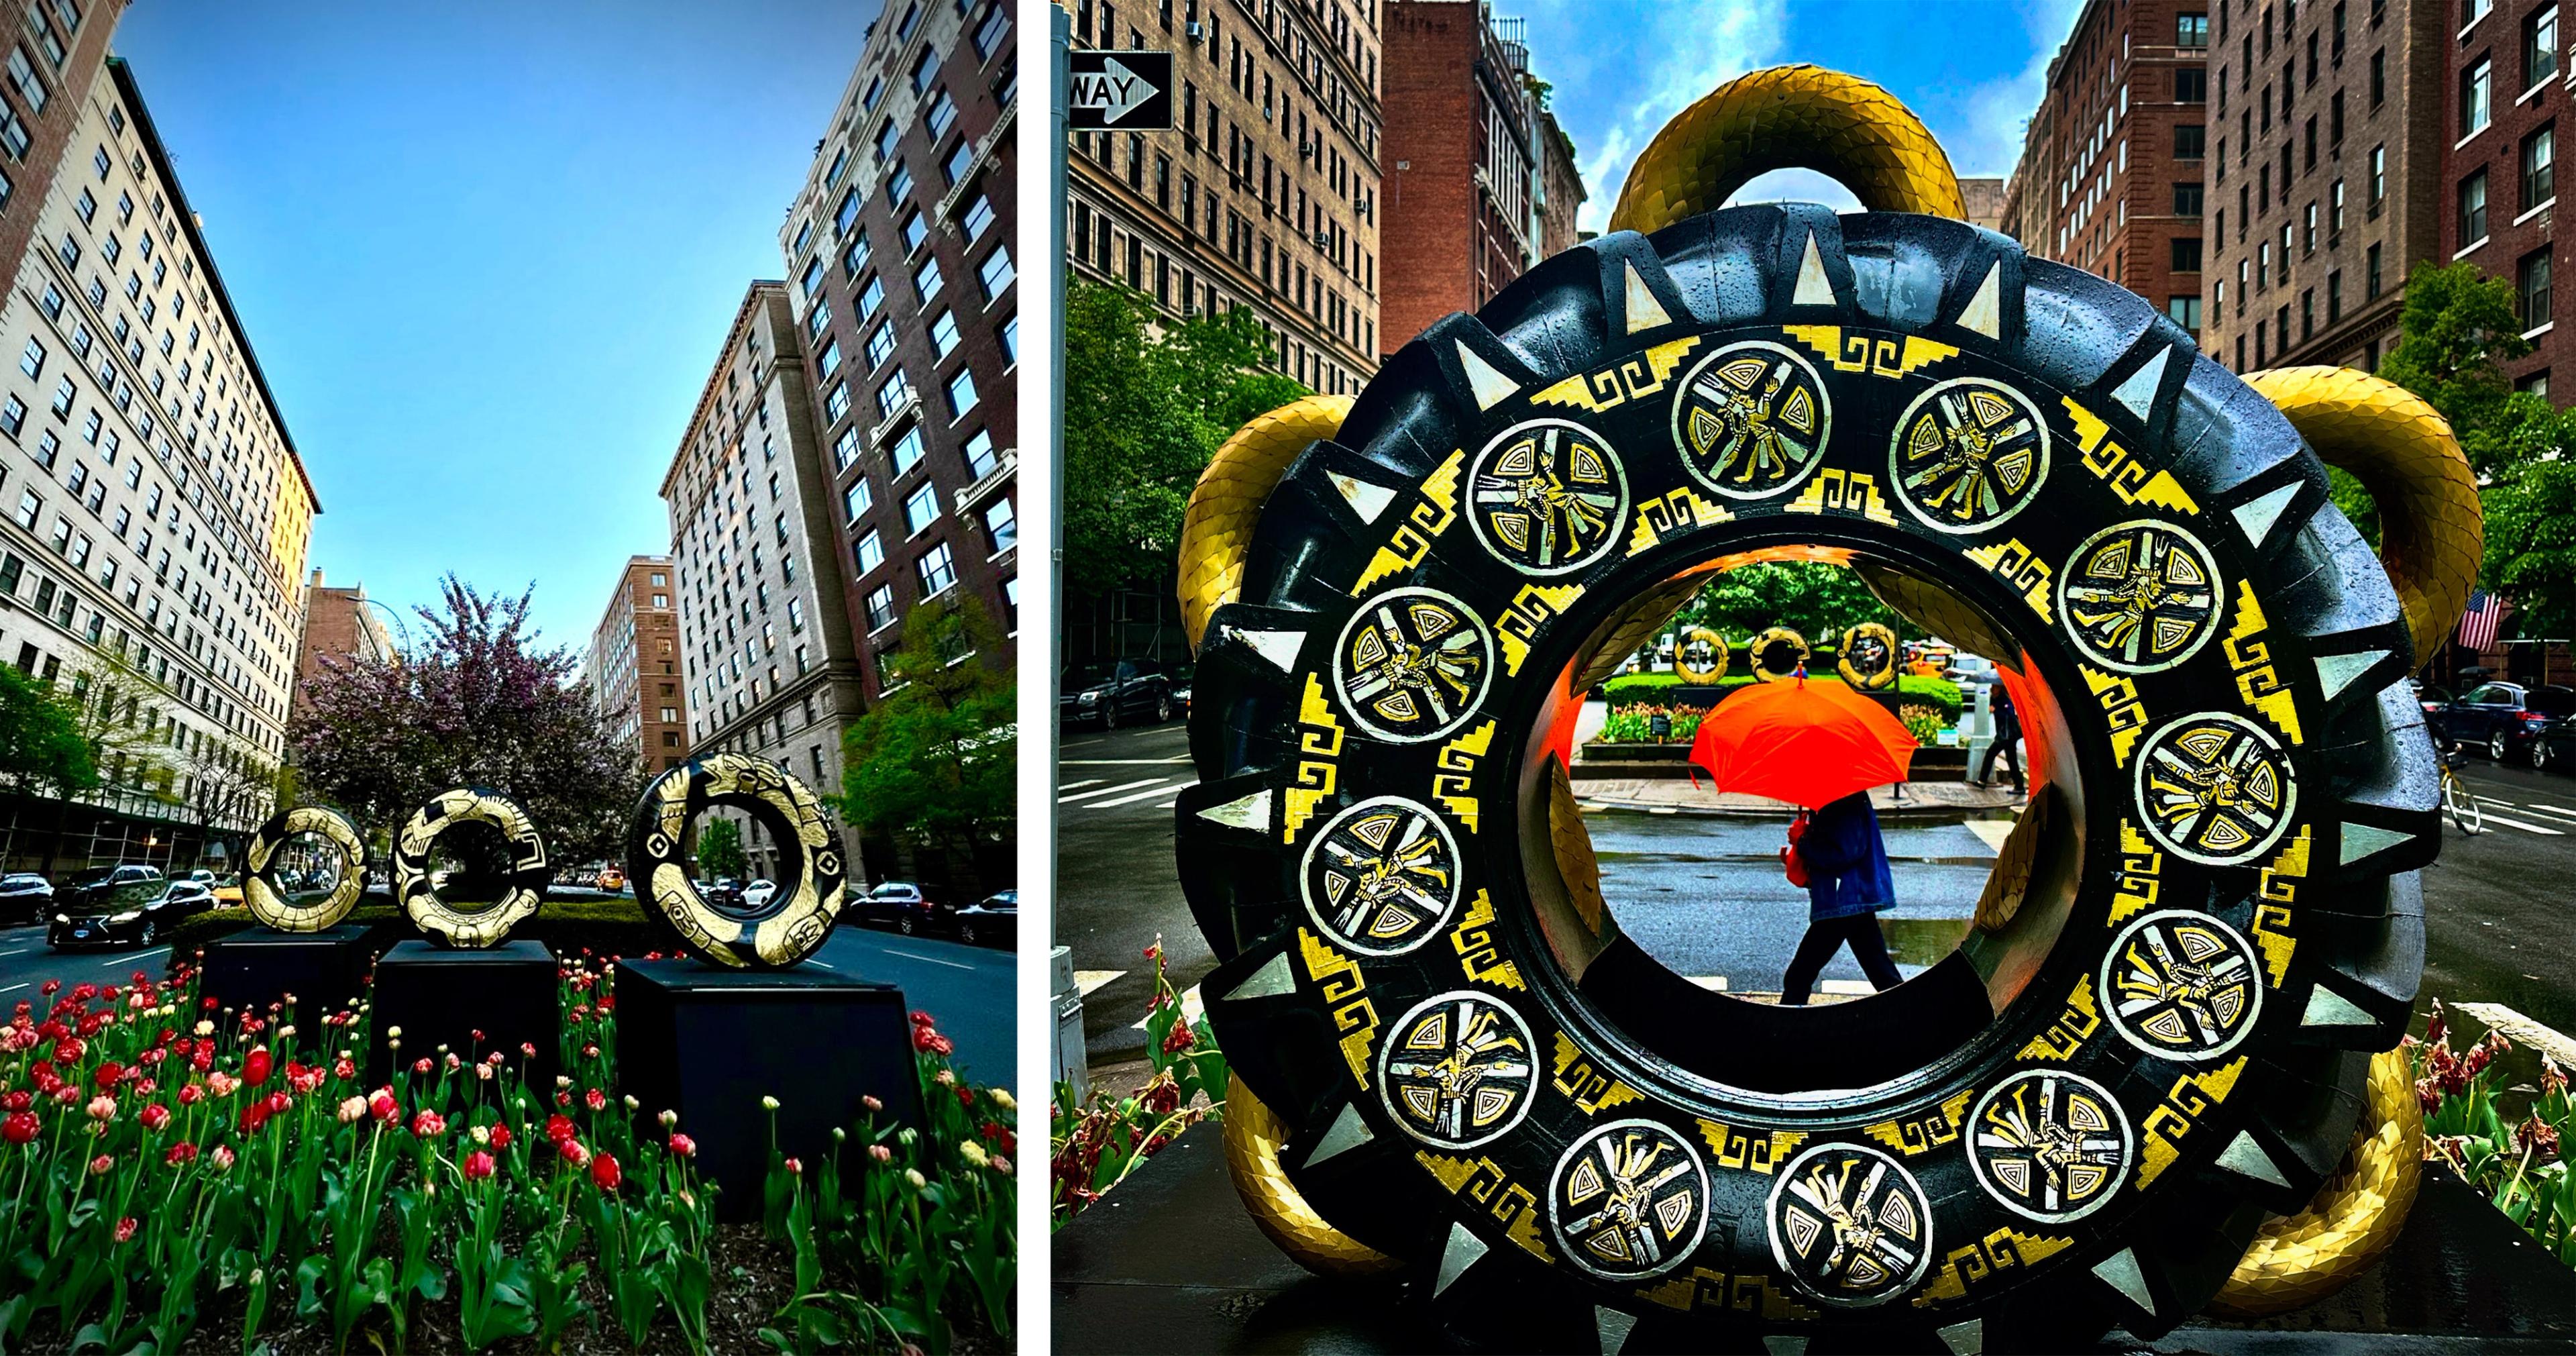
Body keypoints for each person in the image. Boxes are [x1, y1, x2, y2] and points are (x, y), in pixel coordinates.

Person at [1778, 789, 1902, 1004]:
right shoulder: (1838, 796)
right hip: (1852, 898)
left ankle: (1782, 1032)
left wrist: (1804, 843)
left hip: (1844, 900)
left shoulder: (1842, 798)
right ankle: (1916, 1019)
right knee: (1882, 974)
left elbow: (1845, 852)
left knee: (1800, 974)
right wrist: (1801, 849)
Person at [1976, 681, 2024, 794]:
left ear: (2000, 688)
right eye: (1992, 686)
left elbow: (2010, 715)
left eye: (1995, 686)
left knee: (1990, 754)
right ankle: (2019, 786)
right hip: (2006, 736)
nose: (1993, 688)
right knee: (2012, 760)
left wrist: (1996, 710)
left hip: (2006, 736)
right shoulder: (1995, 698)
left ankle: (1982, 781)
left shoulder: (2005, 700)